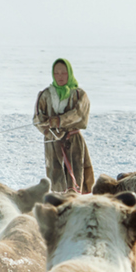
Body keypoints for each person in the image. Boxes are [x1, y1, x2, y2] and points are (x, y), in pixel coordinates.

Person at [33, 58, 94, 193]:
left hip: (73, 142)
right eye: (56, 73)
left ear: (69, 73)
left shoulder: (79, 95)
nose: (60, 76)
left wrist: (58, 121)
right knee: (56, 181)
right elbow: (37, 118)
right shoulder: (45, 95)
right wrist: (49, 132)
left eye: (64, 73)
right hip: (52, 143)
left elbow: (80, 115)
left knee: (75, 179)